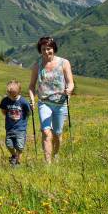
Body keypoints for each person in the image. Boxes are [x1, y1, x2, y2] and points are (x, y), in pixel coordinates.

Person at [28, 36, 75, 164]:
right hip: (44, 103)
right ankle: (48, 164)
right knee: (45, 132)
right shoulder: (37, 65)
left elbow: (70, 83)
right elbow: (31, 86)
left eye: (48, 49)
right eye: (43, 49)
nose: (46, 52)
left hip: (60, 103)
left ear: (53, 48)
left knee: (58, 134)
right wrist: (32, 99)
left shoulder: (64, 63)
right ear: (40, 50)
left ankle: (56, 154)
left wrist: (69, 90)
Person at [0, 80, 31, 166]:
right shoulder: (5, 100)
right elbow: (3, 110)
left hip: (20, 128)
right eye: (10, 95)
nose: (12, 97)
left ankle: (17, 162)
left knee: (20, 146)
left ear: (18, 92)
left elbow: (28, 112)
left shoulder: (23, 101)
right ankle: (13, 155)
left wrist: (23, 121)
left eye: (14, 96)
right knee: (9, 144)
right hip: (9, 128)